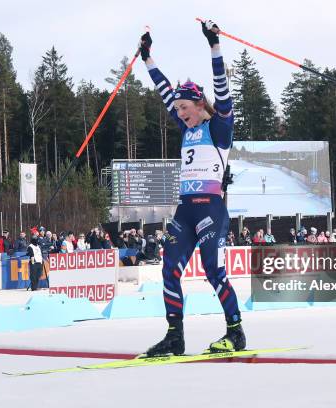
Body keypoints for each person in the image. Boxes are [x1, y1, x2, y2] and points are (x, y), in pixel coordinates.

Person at [139, 21, 244, 356]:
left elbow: (222, 90)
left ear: (200, 105)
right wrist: (147, 59)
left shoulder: (220, 128)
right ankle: (175, 336)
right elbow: (165, 91)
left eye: (185, 108)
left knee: (214, 270)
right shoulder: (186, 128)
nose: (179, 113)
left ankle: (235, 332)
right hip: (186, 209)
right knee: (169, 268)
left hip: (210, 209)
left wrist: (215, 46)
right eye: (178, 110)